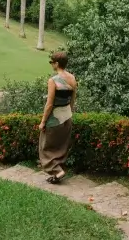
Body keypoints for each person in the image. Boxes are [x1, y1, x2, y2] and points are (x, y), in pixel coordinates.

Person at [38, 51, 77, 184]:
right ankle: (57, 174)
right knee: (61, 146)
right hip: (67, 117)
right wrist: (69, 114)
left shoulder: (53, 80)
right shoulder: (72, 78)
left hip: (54, 119)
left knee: (45, 147)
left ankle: (56, 171)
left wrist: (43, 122)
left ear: (57, 64)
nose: (51, 65)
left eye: (52, 62)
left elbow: (49, 104)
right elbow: (72, 100)